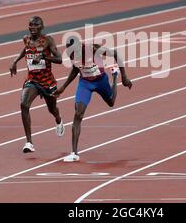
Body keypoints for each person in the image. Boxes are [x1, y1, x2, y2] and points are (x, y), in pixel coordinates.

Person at [55, 37, 133, 162]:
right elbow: (76, 69)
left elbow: (116, 53)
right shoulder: (72, 54)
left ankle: (115, 75)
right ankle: (74, 153)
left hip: (100, 80)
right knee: (78, 114)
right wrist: (63, 87)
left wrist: (124, 77)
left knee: (111, 102)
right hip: (85, 83)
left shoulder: (92, 48)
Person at [9, 16, 65, 153]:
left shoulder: (47, 40)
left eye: (35, 25)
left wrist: (45, 57)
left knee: (52, 109)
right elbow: (26, 49)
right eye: (30, 25)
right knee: (23, 105)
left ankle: (58, 120)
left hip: (47, 81)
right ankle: (29, 142)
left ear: (41, 27)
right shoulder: (26, 39)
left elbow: (59, 59)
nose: (32, 27)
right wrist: (15, 61)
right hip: (32, 80)